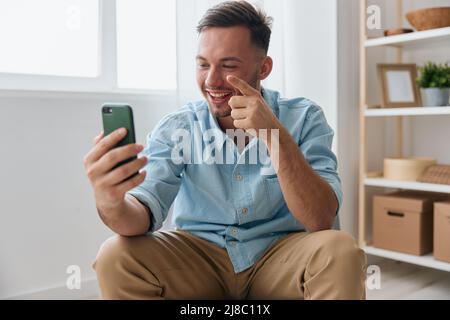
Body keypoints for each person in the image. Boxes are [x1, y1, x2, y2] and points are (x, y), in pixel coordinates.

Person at [83, 1, 366, 300]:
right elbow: (140, 215)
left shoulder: (305, 118)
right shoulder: (179, 126)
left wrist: (274, 136)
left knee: (340, 250)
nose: (211, 81)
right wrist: (111, 201)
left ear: (264, 67)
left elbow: (320, 219)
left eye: (228, 66)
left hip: (280, 258)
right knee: (115, 254)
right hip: (198, 261)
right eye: (203, 64)